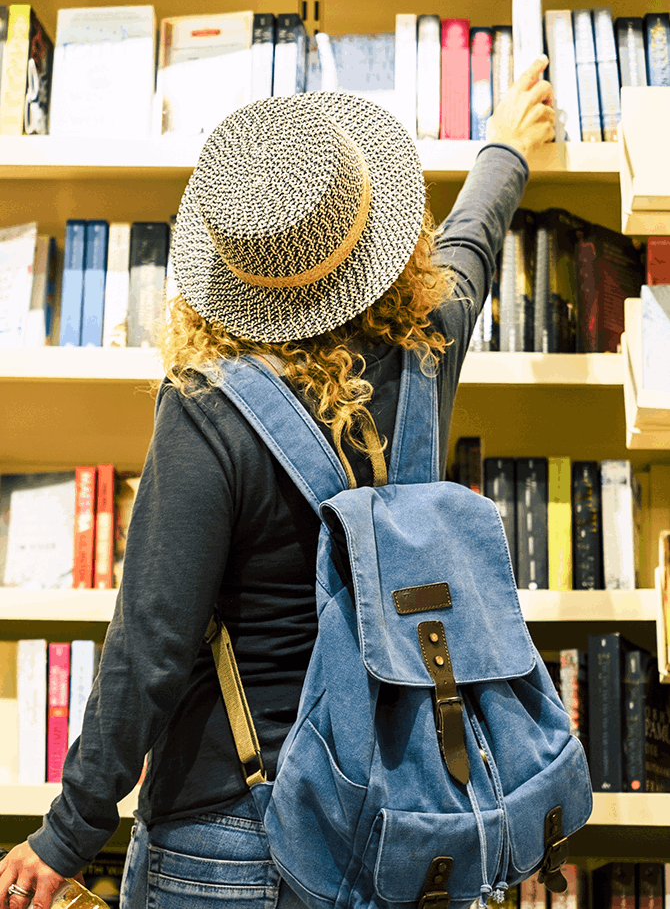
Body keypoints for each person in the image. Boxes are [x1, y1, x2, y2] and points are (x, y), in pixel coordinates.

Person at [0, 54, 554, 909]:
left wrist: (71, 830)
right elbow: (471, 241)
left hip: (235, 836)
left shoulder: (206, 410)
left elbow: (151, 645)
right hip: (400, 820)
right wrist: (507, 148)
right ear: (375, 233)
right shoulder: (428, 343)